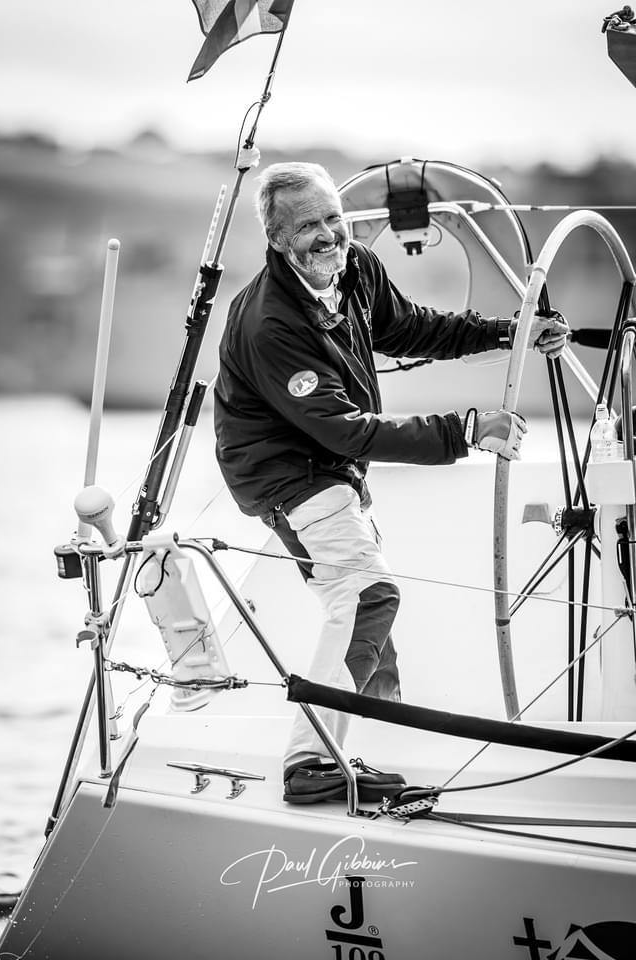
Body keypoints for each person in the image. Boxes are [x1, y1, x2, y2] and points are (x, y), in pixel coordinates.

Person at [213, 161, 568, 804]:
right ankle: (309, 764)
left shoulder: (354, 269)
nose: (328, 236)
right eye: (308, 227)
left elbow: (414, 328)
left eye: (333, 219)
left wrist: (509, 332)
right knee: (368, 595)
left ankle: (362, 753)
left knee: (367, 619)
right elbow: (344, 430)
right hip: (286, 472)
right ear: (277, 239)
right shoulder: (270, 322)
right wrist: (465, 430)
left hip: (328, 466)